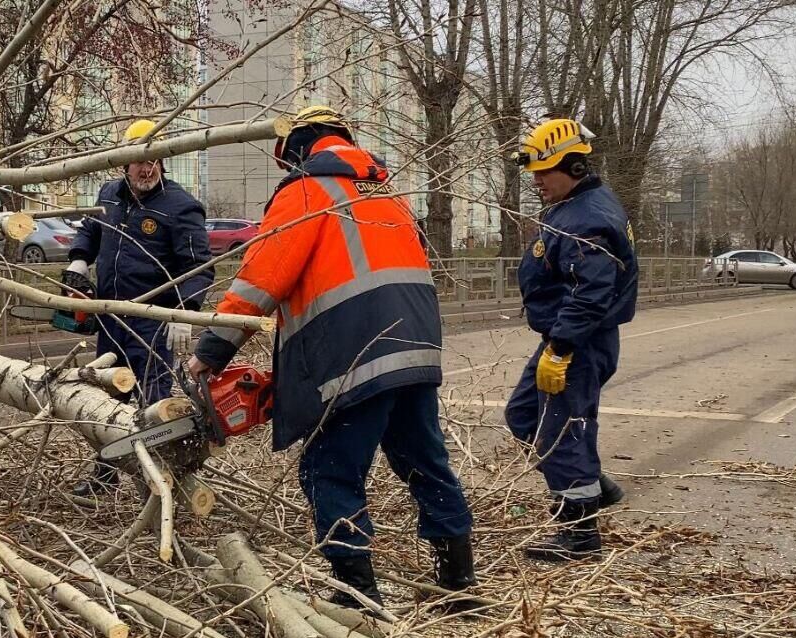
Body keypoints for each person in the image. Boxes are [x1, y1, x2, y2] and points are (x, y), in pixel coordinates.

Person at [188, 105, 475, 607]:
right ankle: (458, 581)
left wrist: (212, 350)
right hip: (417, 347)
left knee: (328, 468)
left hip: (356, 351)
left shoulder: (306, 192)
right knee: (423, 460)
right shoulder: (388, 195)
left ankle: (357, 596)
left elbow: (261, 279)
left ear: (300, 146)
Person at [505, 118, 639, 562]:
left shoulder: (588, 219)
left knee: (560, 431)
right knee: (524, 414)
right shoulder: (576, 205)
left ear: (575, 167)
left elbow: (591, 292)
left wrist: (561, 349)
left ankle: (579, 534)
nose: (537, 181)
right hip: (565, 337)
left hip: (577, 342)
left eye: (545, 172)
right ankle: (595, 488)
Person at [66, 118, 214, 496]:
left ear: (163, 162)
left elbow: (198, 267)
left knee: (152, 400)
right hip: (112, 315)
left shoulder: (180, 206)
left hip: (152, 322)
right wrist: (79, 260)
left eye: (153, 161)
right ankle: (104, 475)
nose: (146, 168)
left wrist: (182, 311)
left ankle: (155, 482)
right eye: (138, 161)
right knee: (107, 398)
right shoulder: (109, 195)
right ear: (125, 163)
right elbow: (90, 229)